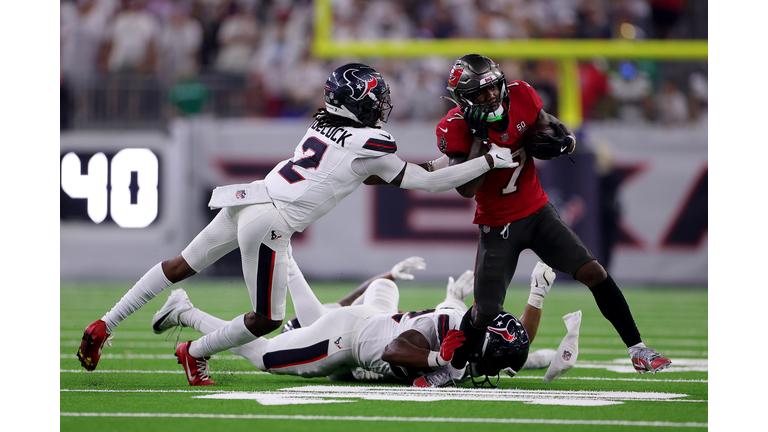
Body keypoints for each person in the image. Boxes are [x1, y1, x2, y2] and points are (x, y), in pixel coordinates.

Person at [76, 62, 520, 386]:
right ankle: (194, 352)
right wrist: (488, 161)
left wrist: (455, 161)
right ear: (360, 105)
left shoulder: (322, 124)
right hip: (271, 220)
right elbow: (427, 182)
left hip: (249, 197)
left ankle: (103, 325)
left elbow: (398, 169)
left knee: (178, 266)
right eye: (376, 100)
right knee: (267, 320)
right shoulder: (370, 141)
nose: (382, 107)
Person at [414, 54, 671, 387]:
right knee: (485, 310)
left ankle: (638, 348)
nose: (491, 97)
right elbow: (466, 187)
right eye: (481, 94)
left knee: (594, 271)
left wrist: (566, 139)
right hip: (497, 225)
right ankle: (453, 369)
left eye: (493, 88)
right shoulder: (457, 126)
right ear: (464, 100)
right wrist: (481, 138)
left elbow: (548, 122)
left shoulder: (520, 94)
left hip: (537, 211)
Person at [150, 256, 560, 386]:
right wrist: (440, 362)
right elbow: (395, 350)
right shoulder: (448, 334)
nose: (489, 372)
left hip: (364, 323)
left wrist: (537, 301)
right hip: (347, 340)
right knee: (262, 357)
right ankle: (185, 311)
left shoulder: (464, 326)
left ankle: (286, 258)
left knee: (334, 311)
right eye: (489, 363)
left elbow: (516, 350)